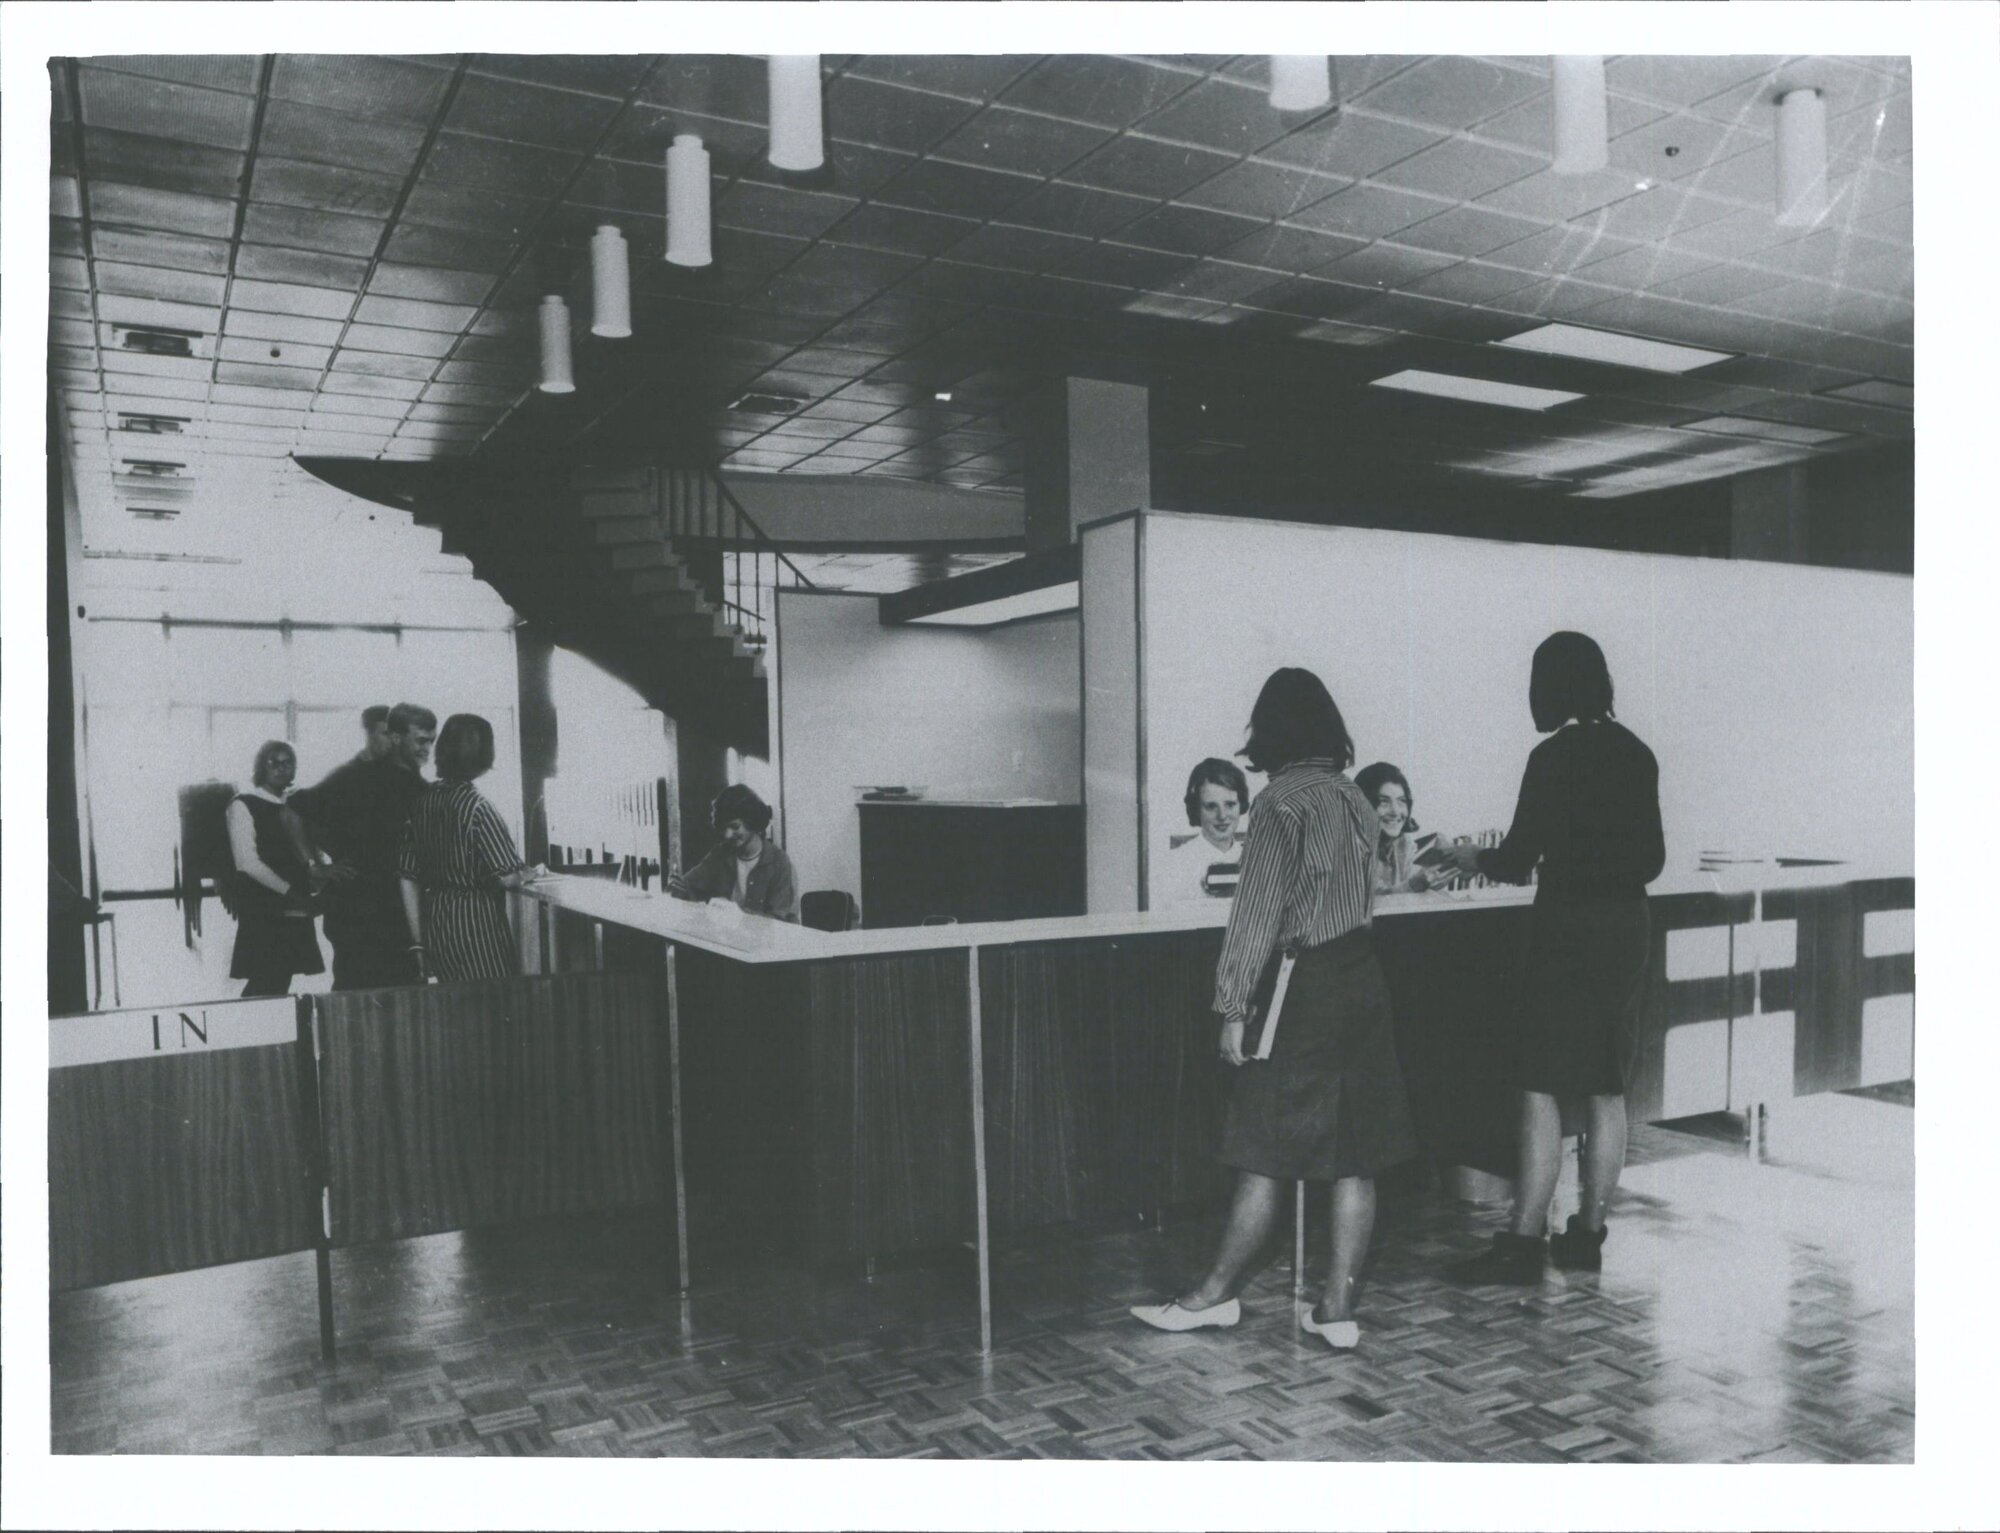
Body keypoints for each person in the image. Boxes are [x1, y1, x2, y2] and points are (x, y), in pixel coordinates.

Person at [1131, 669, 1418, 1350]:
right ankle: (1337, 1309)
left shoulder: (1280, 803)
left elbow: (1255, 916)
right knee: (1357, 1153)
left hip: (1308, 984)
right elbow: (1370, 890)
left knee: (1261, 1142)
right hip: (1363, 978)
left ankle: (1212, 1295)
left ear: (1271, 730)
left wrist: (1233, 1005)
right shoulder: (1354, 798)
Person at [1439, 632, 1665, 1284]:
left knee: (1538, 1080)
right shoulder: (1638, 753)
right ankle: (1588, 1233)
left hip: (1568, 925)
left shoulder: (1552, 757)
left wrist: (1466, 856)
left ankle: (1521, 1240)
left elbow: (1514, 860)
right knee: (1605, 1082)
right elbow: (1651, 859)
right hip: (1626, 926)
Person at [294, 702, 436, 989]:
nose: (427, 749)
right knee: (357, 1003)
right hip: (357, 917)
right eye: (421, 741)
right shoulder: (355, 778)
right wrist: (317, 867)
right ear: (396, 738)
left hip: (398, 917)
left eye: (431, 742)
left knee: (401, 1002)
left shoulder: (424, 790)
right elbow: (294, 810)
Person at [397, 713, 541, 982]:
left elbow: (407, 876)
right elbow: (507, 877)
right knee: (493, 1004)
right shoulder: (478, 807)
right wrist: (529, 873)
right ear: (484, 755)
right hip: (477, 925)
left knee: (459, 1010)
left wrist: (418, 943)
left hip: (437, 922)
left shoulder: (422, 802)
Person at [224, 741, 324, 997]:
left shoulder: (294, 804)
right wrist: (288, 891)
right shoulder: (242, 804)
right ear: (260, 767)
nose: (281, 768)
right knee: (265, 979)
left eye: (287, 762)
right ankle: (248, 1031)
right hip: (264, 905)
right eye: (273, 762)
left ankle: (268, 1031)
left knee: (281, 977)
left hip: (294, 901)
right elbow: (247, 862)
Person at [669, 784, 799, 922]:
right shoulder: (720, 854)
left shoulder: (779, 862)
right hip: (727, 937)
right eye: (724, 828)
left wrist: (738, 914)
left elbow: (778, 921)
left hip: (766, 941)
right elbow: (689, 886)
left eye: (734, 826)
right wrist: (677, 887)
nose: (727, 835)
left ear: (751, 821)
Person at [1161, 757, 1250, 905]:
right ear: (1196, 809)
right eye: (1211, 806)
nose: (1222, 816)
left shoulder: (1257, 859)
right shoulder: (1175, 864)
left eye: (1230, 805)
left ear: (1241, 805)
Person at [1353, 761, 1449, 894]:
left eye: (1401, 801)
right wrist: (1414, 885)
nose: (1395, 811)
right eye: (1383, 802)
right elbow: (1367, 903)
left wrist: (1433, 883)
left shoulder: (1403, 843)